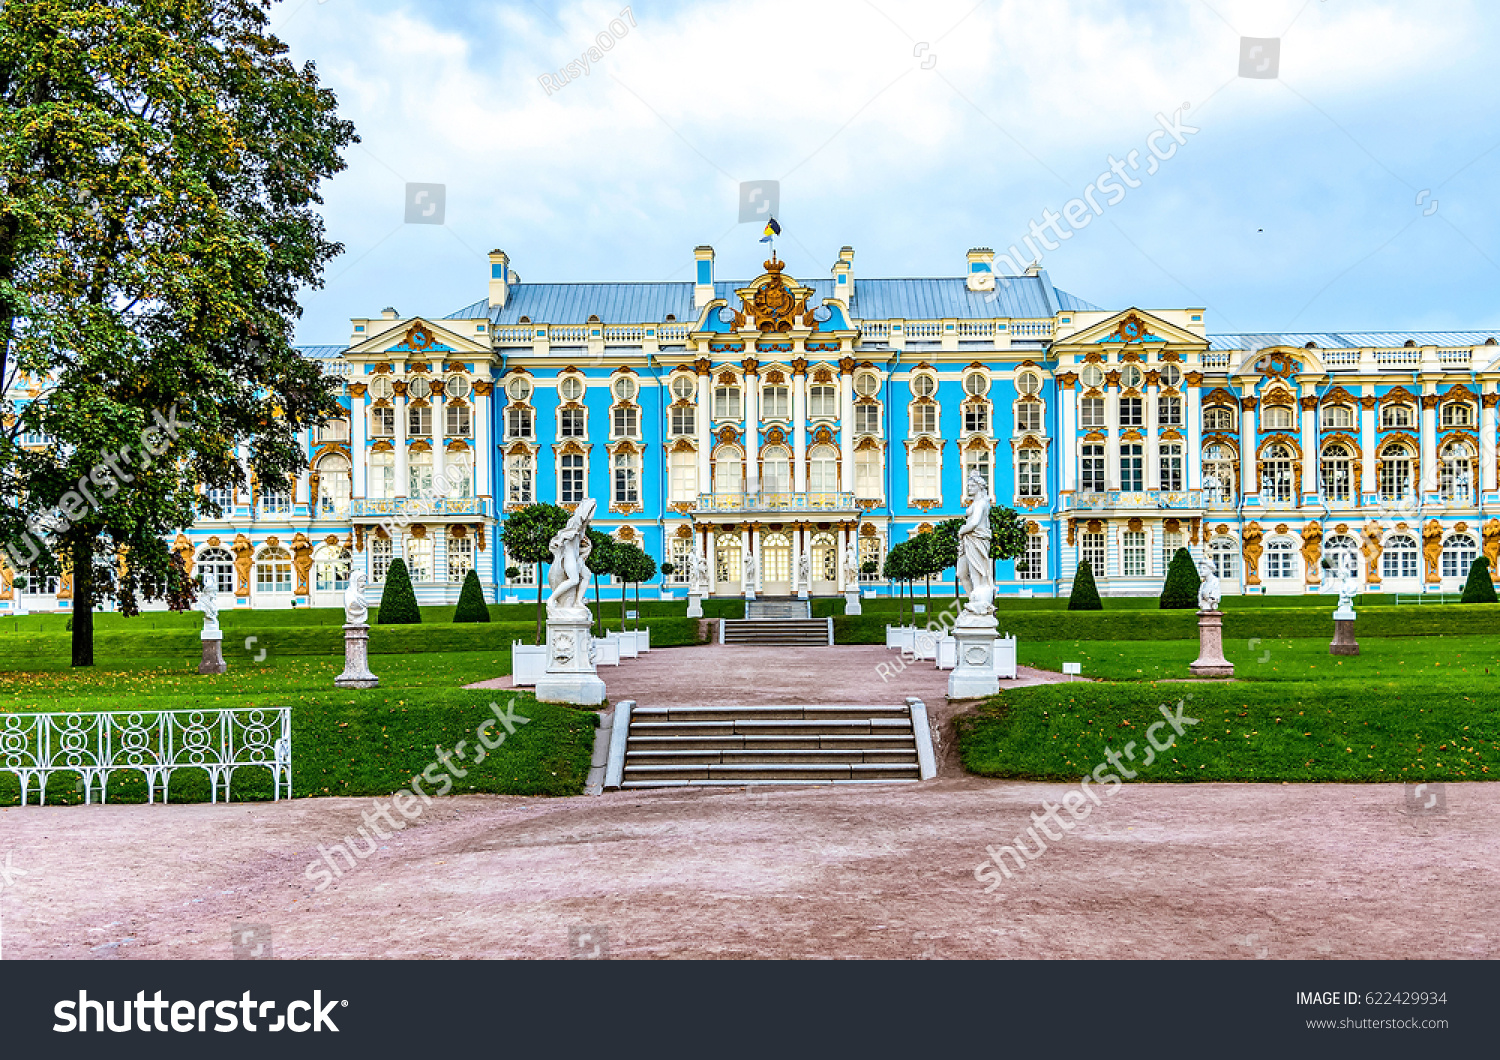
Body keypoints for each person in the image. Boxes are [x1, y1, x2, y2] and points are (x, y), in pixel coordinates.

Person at [546, 497, 596, 615]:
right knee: (574, 579)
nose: (589, 518)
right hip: (569, 557)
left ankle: (578, 601)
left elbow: (588, 519)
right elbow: (563, 535)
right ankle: (551, 599)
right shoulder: (573, 523)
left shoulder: (582, 527)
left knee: (587, 575)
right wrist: (561, 540)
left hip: (576, 558)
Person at [956, 470, 994, 614]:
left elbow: (975, 522)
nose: (969, 488)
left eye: (971, 486)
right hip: (969, 539)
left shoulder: (981, 503)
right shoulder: (976, 502)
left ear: (979, 486)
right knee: (961, 573)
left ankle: (978, 603)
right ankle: (974, 601)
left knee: (976, 572)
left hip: (977, 538)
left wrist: (962, 530)